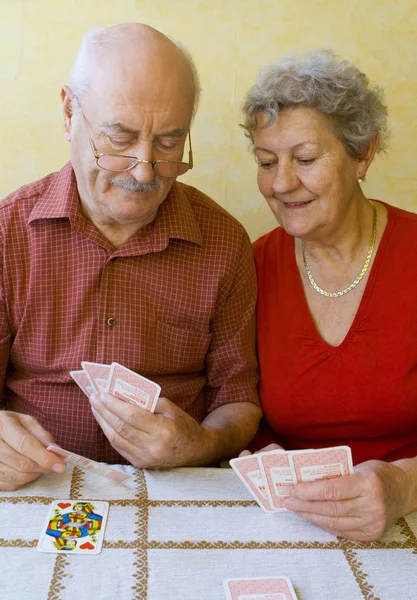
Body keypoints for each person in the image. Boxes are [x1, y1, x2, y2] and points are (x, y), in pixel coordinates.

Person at [0, 23, 261, 491]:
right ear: (68, 112)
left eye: (168, 143)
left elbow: (238, 398)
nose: (145, 170)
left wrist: (199, 444)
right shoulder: (7, 235)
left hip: (178, 491)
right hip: (37, 487)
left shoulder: (223, 242)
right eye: (119, 138)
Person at [240, 49, 417, 541]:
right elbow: (236, 404)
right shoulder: (250, 268)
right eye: (266, 161)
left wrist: (404, 484)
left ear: (363, 154)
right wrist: (260, 452)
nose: (281, 183)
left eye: (306, 159)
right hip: (297, 523)